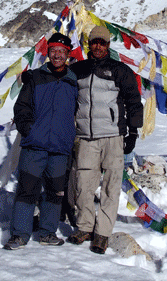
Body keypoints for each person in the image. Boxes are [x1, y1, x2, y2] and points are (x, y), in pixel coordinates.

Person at [67, 25, 143, 254]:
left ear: (109, 45)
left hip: (113, 136)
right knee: (83, 185)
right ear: (89, 44)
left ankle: (102, 233)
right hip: (86, 137)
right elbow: (59, 84)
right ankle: (85, 227)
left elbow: (133, 101)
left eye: (103, 42)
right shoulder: (77, 69)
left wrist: (133, 131)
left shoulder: (120, 70)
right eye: (95, 42)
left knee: (111, 187)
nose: (98, 46)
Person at [4, 32, 78, 250]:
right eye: (53, 50)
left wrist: (68, 134)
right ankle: (19, 234)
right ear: (48, 53)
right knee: (27, 190)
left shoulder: (74, 81)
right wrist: (29, 130)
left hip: (60, 147)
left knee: (55, 193)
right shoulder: (35, 77)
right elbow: (22, 107)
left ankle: (47, 232)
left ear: (67, 55)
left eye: (62, 52)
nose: (57, 55)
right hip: (34, 146)